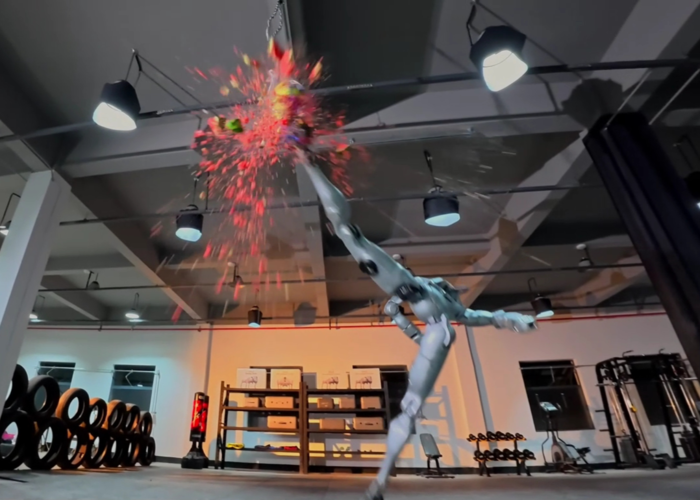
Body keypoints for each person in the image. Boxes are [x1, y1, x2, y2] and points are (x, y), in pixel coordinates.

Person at [293, 146, 536, 500]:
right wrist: (400, 316)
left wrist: (514, 319)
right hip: (414, 297)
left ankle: (380, 481)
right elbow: (463, 319)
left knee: (410, 407)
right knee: (347, 232)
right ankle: (309, 164)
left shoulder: (451, 309)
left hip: (432, 325)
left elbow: (483, 317)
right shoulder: (420, 288)